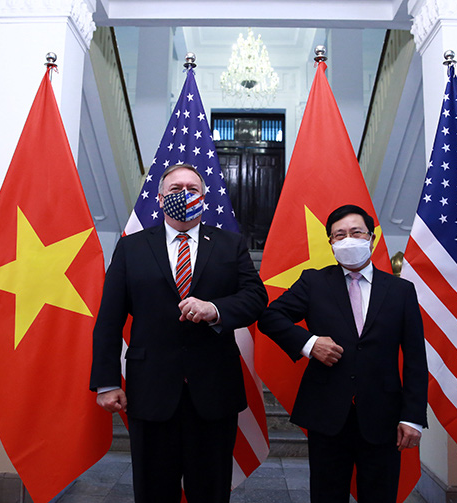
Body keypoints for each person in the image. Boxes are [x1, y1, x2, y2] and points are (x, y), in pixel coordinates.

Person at [90, 164, 267, 503]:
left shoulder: (230, 245)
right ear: (159, 199)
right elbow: (109, 319)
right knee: (153, 490)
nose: (184, 194)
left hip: (215, 391)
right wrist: (107, 381)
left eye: (192, 188)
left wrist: (215, 309)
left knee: (211, 491)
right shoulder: (132, 248)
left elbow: (256, 299)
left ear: (204, 197)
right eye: (174, 189)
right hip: (151, 392)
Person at [257, 204, 428, 503]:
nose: (348, 239)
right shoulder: (314, 282)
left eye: (356, 232)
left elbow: (415, 357)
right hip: (327, 413)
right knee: (327, 495)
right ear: (331, 244)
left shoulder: (401, 291)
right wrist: (310, 344)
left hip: (383, 416)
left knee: (380, 495)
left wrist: (412, 417)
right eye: (339, 235)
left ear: (371, 237)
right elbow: (271, 317)